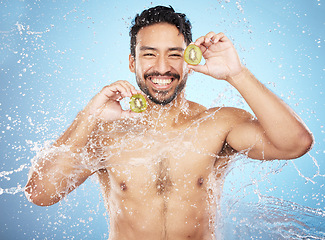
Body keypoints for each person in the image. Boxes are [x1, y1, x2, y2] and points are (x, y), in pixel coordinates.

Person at [25, 5, 314, 240]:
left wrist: (236, 74)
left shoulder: (217, 123)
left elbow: (295, 144)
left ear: (190, 60)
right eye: (149, 54)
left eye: (174, 54)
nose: (162, 68)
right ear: (131, 63)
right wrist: (89, 114)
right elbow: (41, 194)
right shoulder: (107, 133)